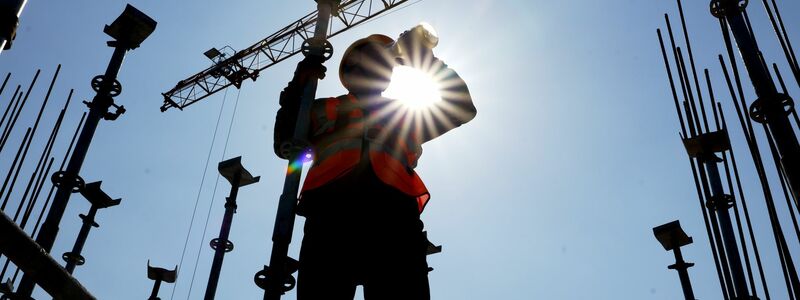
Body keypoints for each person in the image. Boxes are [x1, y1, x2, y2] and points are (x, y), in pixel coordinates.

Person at [274, 30, 476, 300]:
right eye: (373, 55)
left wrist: (425, 60)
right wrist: (297, 87)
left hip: (393, 222)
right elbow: (285, 139)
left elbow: (462, 108)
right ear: (352, 64)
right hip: (331, 220)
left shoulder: (404, 114)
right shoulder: (323, 107)